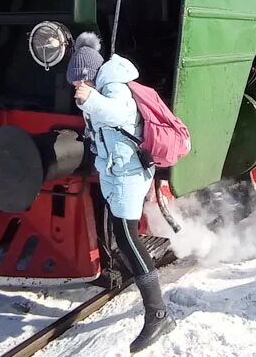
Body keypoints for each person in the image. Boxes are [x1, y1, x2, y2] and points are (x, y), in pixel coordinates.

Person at [66, 32, 175, 353]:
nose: (76, 88)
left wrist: (92, 100)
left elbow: (119, 114)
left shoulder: (113, 88)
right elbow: (100, 132)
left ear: (89, 75)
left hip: (129, 173)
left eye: (78, 82)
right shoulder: (96, 89)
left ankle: (158, 314)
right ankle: (155, 309)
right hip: (116, 172)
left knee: (128, 238)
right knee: (122, 234)